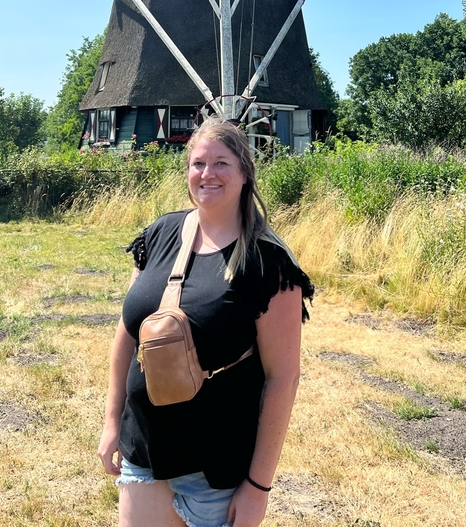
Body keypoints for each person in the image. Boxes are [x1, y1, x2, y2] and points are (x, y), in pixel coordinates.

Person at [97, 117, 314, 527]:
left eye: (221, 163)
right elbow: (128, 332)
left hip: (215, 473)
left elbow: (283, 378)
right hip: (144, 450)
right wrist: (111, 422)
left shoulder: (268, 262)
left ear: (245, 173)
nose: (207, 173)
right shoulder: (160, 234)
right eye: (198, 163)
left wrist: (258, 487)